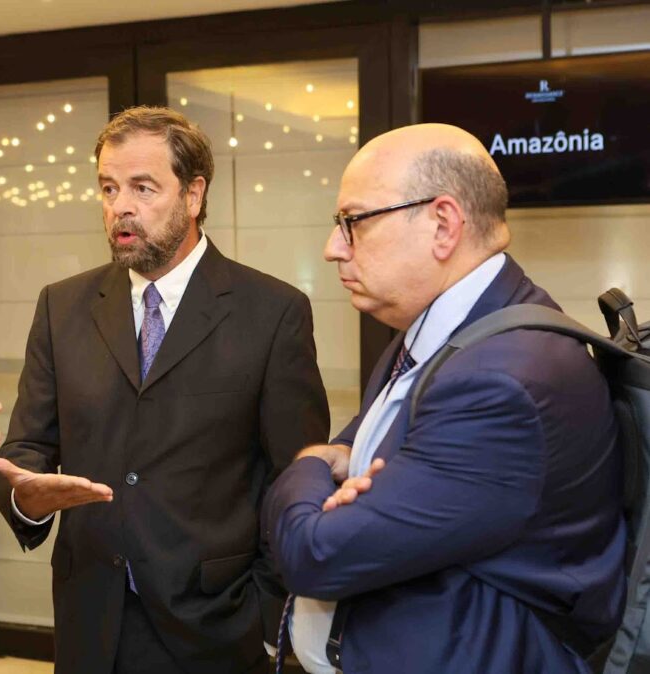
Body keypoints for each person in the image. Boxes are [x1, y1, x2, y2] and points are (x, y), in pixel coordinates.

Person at [263, 123, 626, 674]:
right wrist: (344, 473)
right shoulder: (442, 329)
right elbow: (357, 452)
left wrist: (309, 462)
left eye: (353, 222)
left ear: (442, 224)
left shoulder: (501, 379)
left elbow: (314, 554)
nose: (333, 248)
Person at [0, 106, 330, 674]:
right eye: (108, 188)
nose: (120, 206)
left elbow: (295, 476)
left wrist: (266, 616)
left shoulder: (272, 313)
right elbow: (26, 449)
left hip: (217, 630)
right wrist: (27, 499)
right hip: (90, 623)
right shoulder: (61, 306)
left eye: (142, 188)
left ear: (193, 195)